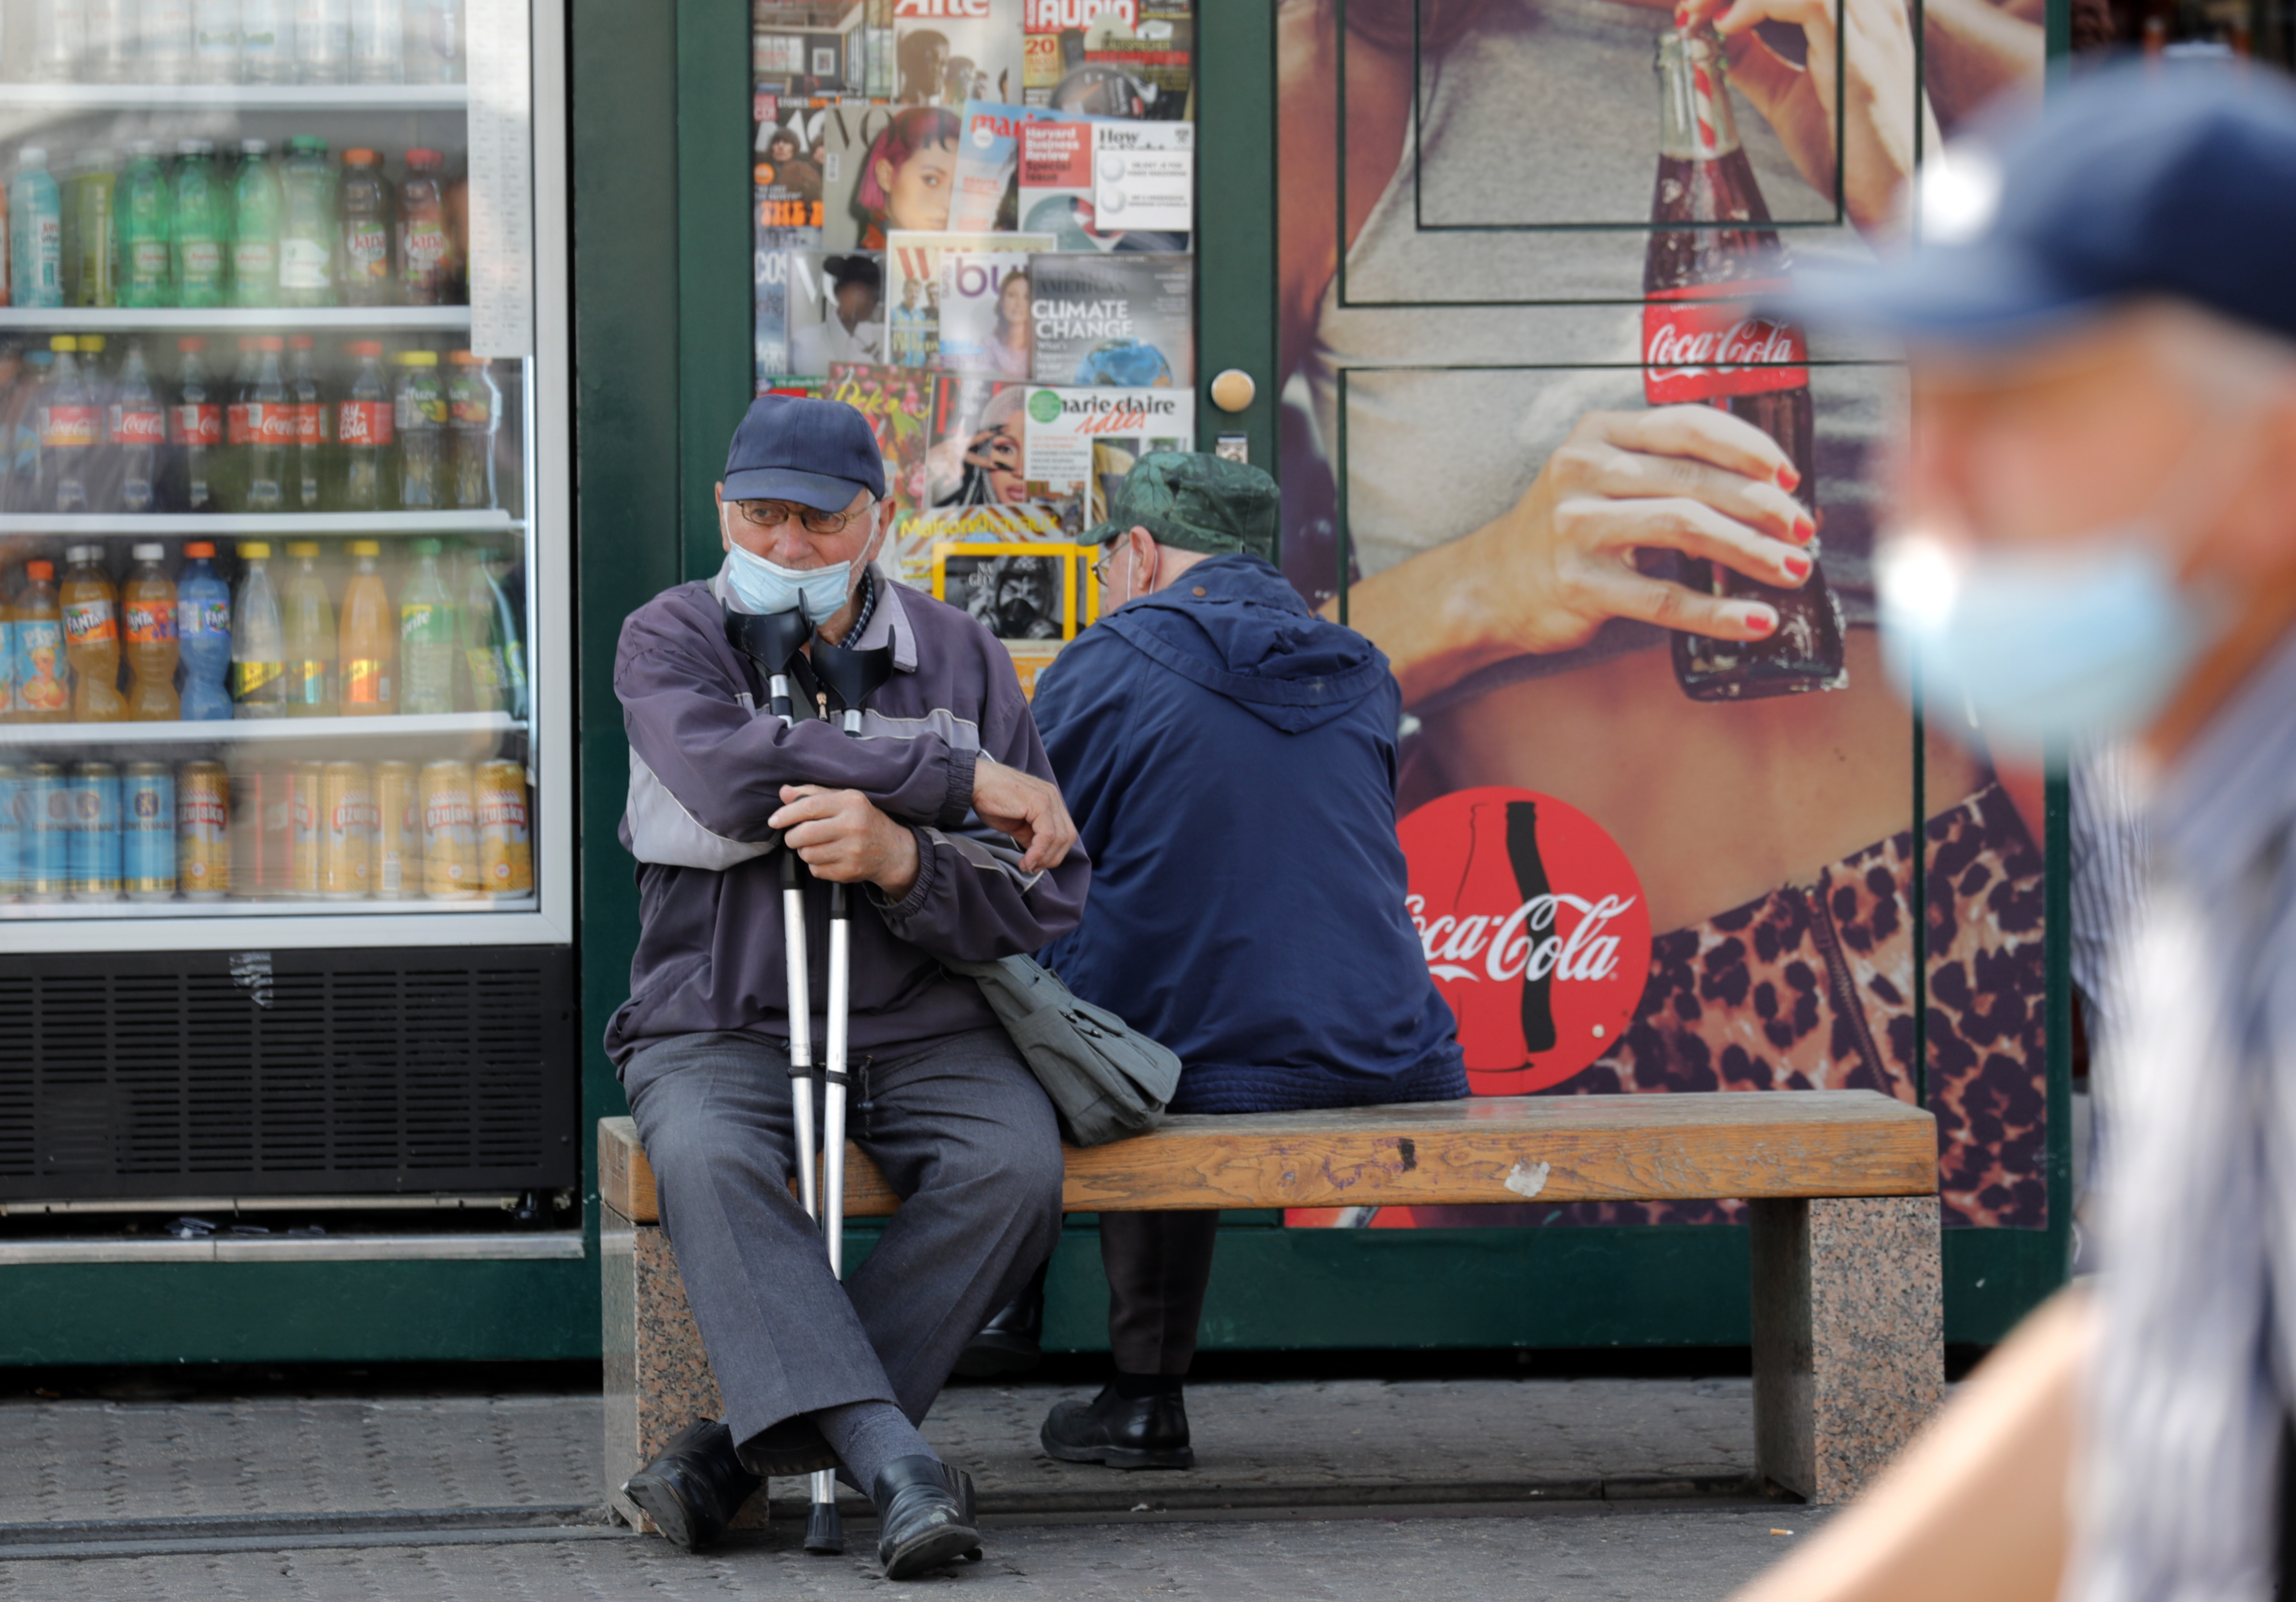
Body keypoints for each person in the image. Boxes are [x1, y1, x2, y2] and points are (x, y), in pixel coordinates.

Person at [1272, 0, 2049, 1233]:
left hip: (1973, 950)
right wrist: (1489, 583)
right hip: (1580, 1021)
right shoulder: (1350, 77)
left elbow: (2170, 510)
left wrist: (1905, 187)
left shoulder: (1926, 52)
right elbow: (1179, 668)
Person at [1724, 66, 2296, 1602]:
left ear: (2274, 466)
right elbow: (2155, 1359)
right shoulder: (2222, 831)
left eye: (2016, 404)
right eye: (1926, 400)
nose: (1926, 485)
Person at [606, 395, 1089, 1574]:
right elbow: (730, 775)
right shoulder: (669, 636)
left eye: (818, 524)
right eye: (761, 517)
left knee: (1014, 1165)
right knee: (711, 1157)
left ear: (875, 520)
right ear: (724, 510)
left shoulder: (962, 652)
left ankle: (725, 1453)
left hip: (926, 1022)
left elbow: (1047, 892)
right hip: (719, 1017)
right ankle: (894, 1457)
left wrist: (905, 857)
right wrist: (951, 773)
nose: (785, 548)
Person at [1020, 454, 1469, 1467]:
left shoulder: (1113, 652)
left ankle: (1083, 1353)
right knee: (1182, 1000)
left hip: (1196, 1065)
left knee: (1116, 1022)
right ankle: (1137, 1394)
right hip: (1390, 1051)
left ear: (1137, 554)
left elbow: (1023, 835)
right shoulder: (1359, 661)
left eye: (1104, 563)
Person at [856, 106, 960, 245]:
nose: (949, 203)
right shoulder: (870, 262)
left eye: (959, 186)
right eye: (931, 180)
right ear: (885, 176)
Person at [790, 255, 884, 374]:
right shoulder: (805, 344)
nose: (869, 302)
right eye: (859, 294)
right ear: (839, 293)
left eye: (874, 296)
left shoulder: (879, 338)